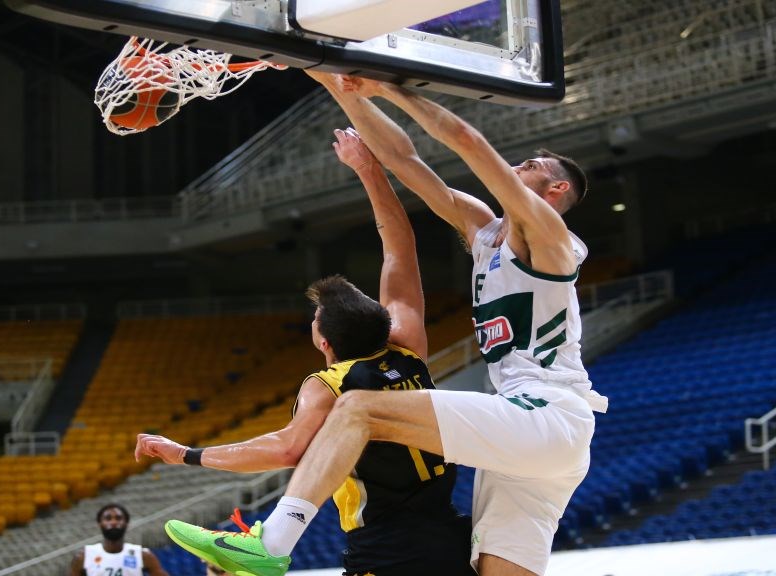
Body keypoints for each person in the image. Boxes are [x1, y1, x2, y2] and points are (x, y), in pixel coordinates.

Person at [162, 71, 607, 576]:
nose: (516, 164)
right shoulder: (486, 230)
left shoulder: (550, 236)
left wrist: (391, 90)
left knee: (356, 410)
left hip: (547, 414)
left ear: (556, 189)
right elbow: (404, 160)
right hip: (529, 440)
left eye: (531, 165)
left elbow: (466, 140)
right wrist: (336, 83)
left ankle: (272, 544)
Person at [136, 128, 472, 576]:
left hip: (387, 543)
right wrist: (370, 172)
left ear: (324, 342)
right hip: (448, 530)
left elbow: (287, 449)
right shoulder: (409, 349)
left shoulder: (330, 385)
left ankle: (266, 545)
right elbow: (400, 250)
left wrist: (187, 454)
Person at [69, 503, 169, 576]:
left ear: (126, 523)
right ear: (100, 523)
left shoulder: (142, 555)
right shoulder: (84, 556)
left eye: (118, 518)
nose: (113, 522)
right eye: (108, 518)